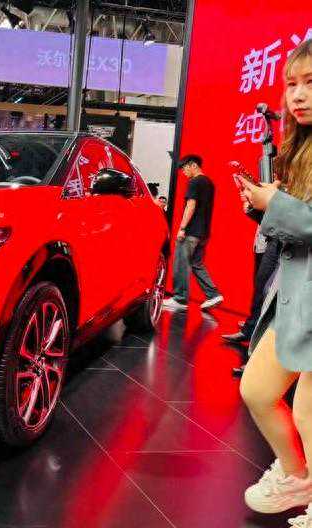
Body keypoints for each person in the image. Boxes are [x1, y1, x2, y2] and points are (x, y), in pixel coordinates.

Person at [238, 40, 312, 526]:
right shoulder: (300, 148)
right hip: (298, 296)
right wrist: (262, 208)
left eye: (310, 83)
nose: (298, 95)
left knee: (307, 413)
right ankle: (298, 477)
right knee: (258, 389)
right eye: (291, 85)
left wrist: (276, 206)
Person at [162, 154, 224, 311]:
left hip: (191, 231)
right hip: (203, 233)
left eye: (184, 168)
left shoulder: (195, 182)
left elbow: (191, 205)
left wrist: (182, 228)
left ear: (193, 165)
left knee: (181, 263)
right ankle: (213, 294)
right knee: (196, 263)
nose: (183, 172)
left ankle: (180, 299)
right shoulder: (209, 183)